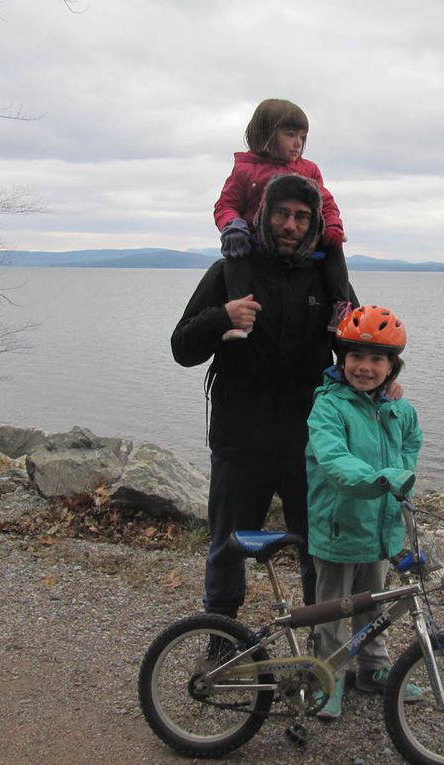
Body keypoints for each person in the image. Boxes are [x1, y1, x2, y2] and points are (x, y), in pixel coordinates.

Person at [171, 173, 355, 618]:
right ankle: (220, 634)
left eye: (301, 217)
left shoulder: (326, 281)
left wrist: (389, 380)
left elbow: (359, 349)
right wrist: (222, 317)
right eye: (281, 213)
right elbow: (182, 348)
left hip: (310, 439)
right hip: (240, 435)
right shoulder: (230, 273)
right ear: (263, 215)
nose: (290, 225)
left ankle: (321, 640)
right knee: (227, 545)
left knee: (318, 547)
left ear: (313, 223)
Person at [305, 305, 423, 720]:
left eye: (377, 359)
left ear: (393, 367)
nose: (365, 367)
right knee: (333, 608)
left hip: (380, 528)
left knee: (374, 601)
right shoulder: (328, 407)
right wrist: (381, 479)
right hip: (338, 526)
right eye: (356, 356)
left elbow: (411, 445)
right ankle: (328, 678)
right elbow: (334, 460)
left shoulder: (399, 409)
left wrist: (401, 476)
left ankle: (373, 668)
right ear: (342, 359)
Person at [214, 98, 352, 340]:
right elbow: (226, 205)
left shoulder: (308, 170)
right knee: (236, 254)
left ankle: (341, 307)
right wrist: (232, 225)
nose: (298, 143)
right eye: (290, 134)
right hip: (252, 241)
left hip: (305, 250)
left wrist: (332, 226)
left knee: (335, 246)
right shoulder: (246, 170)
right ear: (265, 134)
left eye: (302, 136)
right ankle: (239, 312)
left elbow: (327, 203)